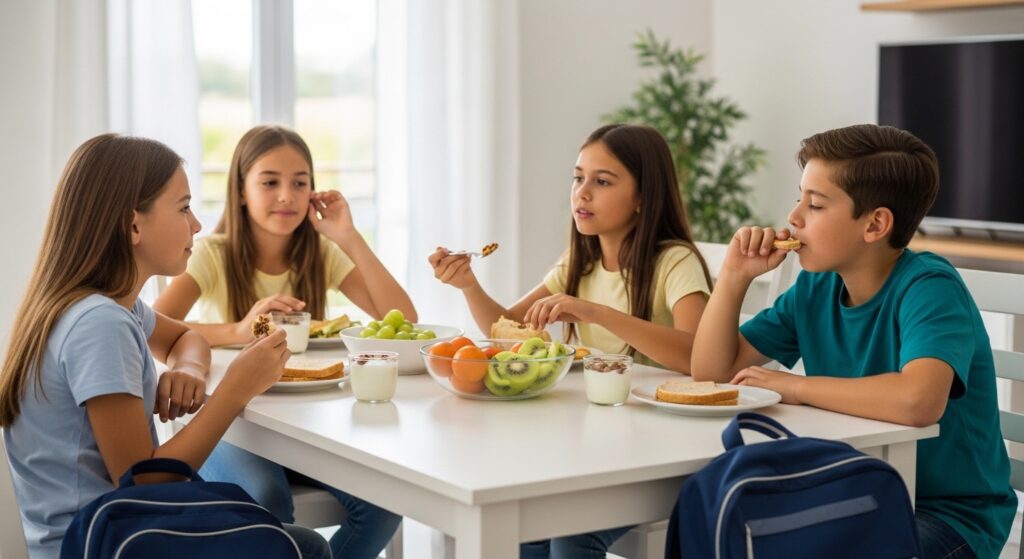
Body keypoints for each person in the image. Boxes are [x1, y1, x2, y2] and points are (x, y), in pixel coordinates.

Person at [691, 124, 1016, 559]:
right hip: (854, 494)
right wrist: (733, 278)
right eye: (799, 197)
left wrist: (794, 386)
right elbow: (711, 374)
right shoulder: (815, 289)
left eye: (815, 204)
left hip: (946, 517)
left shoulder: (929, 287)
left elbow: (918, 400)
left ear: (876, 224)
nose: (794, 217)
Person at [0, 134, 329, 559]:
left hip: (112, 530)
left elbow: (184, 337)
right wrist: (235, 390)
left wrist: (188, 370)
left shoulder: (112, 305)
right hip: (104, 543)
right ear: (133, 224)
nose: (196, 224)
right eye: (184, 207)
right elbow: (146, 481)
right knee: (305, 547)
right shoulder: (100, 325)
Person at [429, 123, 712, 557]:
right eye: (578, 177)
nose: (581, 193)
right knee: (526, 523)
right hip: (597, 446)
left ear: (643, 196)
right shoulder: (580, 261)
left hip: (661, 454)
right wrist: (469, 284)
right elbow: (505, 328)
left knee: (570, 536)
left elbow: (698, 357)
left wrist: (594, 312)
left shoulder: (674, 261)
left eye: (602, 181)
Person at [154, 125, 408, 558]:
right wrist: (242, 329)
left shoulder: (320, 252)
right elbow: (157, 325)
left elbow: (400, 317)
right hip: (235, 426)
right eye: (270, 182)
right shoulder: (214, 253)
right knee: (267, 501)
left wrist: (348, 236)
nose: (287, 196)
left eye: (300, 182)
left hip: (306, 427)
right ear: (240, 190)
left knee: (385, 504)